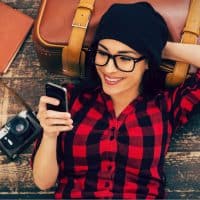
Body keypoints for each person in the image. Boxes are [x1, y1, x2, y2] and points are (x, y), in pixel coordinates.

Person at [31, 2, 200, 199]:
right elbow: (43, 182)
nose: (109, 69)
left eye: (125, 58)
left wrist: (159, 48)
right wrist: (50, 135)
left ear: (147, 63)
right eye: (103, 53)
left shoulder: (166, 106)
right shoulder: (71, 101)